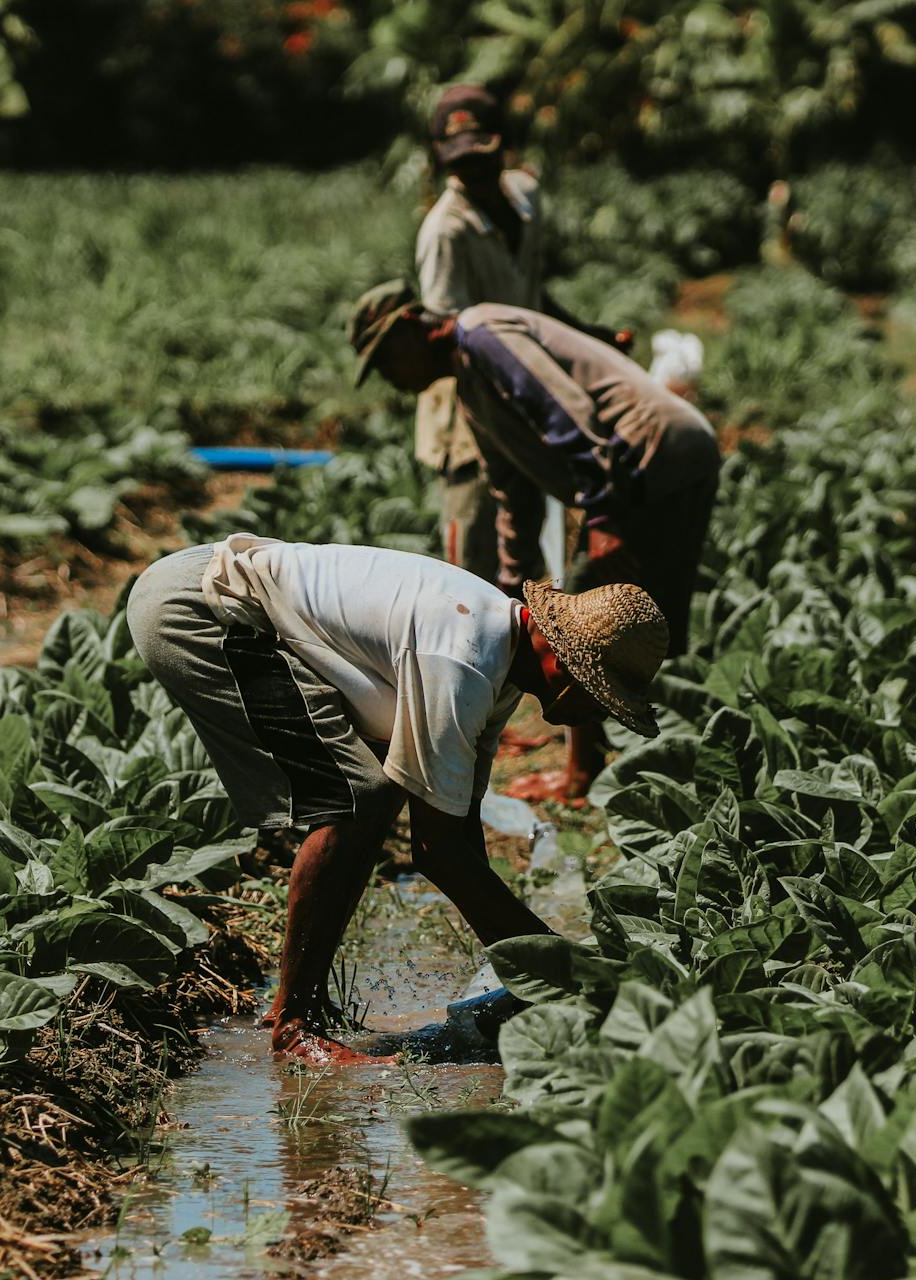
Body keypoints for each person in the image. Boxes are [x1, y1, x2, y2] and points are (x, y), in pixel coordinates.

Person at [126, 534, 668, 1062]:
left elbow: (458, 831)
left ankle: (302, 1008)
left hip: (223, 592)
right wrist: (568, 973)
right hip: (200, 608)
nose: (594, 716)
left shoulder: (499, 657)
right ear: (558, 659)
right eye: (597, 695)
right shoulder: (463, 660)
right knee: (358, 796)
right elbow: (437, 854)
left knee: (374, 792)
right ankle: (294, 1028)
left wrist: (536, 974)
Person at [349, 282, 720, 801]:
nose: (390, 378)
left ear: (412, 328)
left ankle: (592, 773)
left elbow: (566, 413)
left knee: (600, 620)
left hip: (653, 459)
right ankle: (638, 766)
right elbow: (511, 487)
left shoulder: (483, 334)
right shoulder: (470, 385)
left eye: (386, 359)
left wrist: (603, 513)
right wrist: (511, 579)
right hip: (643, 467)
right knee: (629, 620)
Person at [413, 83, 628, 582]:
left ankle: (534, 639)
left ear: (504, 147)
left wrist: (583, 336)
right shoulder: (446, 232)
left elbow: (530, 298)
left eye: (482, 157)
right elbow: (448, 336)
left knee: (530, 527)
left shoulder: (527, 198)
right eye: (459, 163)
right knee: (474, 547)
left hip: (528, 386)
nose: (473, 172)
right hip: (470, 407)